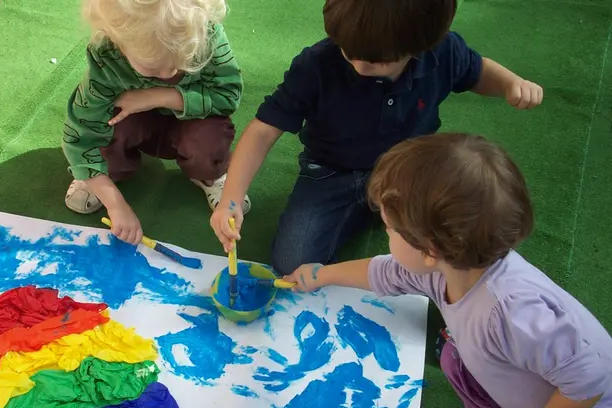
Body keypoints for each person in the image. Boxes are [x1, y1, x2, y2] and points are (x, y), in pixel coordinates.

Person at [285, 133, 612, 408]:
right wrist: (322, 275)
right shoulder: (447, 267)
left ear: (431, 249)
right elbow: (384, 272)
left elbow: (589, 382)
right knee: (453, 355)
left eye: (389, 228)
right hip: (524, 389)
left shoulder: (512, 311)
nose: (386, 235)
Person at [209, 0, 544, 275]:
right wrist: (231, 199)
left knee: (457, 244)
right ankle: (371, 210)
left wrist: (509, 84)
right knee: (290, 263)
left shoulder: (443, 52)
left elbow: (475, 71)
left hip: (411, 171)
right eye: (348, 51)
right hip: (331, 172)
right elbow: (263, 130)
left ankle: (381, 209)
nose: (358, 66)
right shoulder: (316, 65)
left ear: (419, 47)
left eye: (375, 61)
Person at [63, 0, 250, 245]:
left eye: (183, 63)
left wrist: (155, 96)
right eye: (153, 69)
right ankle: (100, 175)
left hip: (193, 121)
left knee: (208, 141)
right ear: (118, 44)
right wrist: (115, 204)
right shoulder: (106, 57)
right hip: (132, 121)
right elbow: (80, 134)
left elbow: (228, 96)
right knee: (107, 121)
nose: (169, 75)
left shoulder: (206, 34)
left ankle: (209, 174)